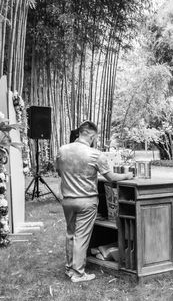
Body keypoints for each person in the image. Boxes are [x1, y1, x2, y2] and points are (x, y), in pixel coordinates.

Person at [55, 121, 134, 283]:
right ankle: (78, 273)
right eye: (95, 137)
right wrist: (128, 176)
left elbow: (58, 171)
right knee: (81, 236)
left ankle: (70, 268)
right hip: (86, 201)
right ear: (91, 135)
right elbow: (111, 177)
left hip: (67, 200)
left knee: (71, 233)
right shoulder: (95, 154)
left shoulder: (62, 150)